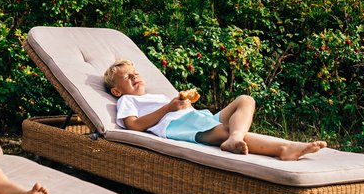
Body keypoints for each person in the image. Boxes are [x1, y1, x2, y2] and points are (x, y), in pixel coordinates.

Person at [103, 60, 326, 160]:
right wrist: (169, 107)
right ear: (116, 91)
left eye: (135, 73)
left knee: (245, 100)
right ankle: (284, 148)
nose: (134, 77)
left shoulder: (156, 96)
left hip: (196, 117)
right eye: (127, 77)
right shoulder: (126, 101)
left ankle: (235, 137)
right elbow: (133, 125)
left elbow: (177, 108)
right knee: (224, 131)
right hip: (179, 126)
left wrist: (183, 103)